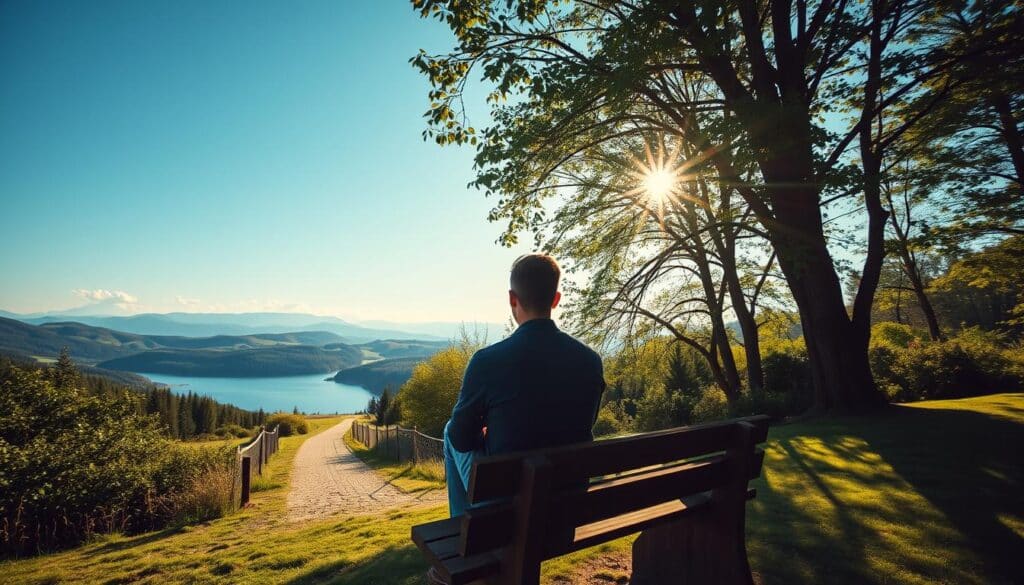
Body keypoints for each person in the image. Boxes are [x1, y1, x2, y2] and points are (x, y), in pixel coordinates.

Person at [442, 253, 606, 517]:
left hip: (507, 515)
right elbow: (580, 426)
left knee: (450, 429)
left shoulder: (487, 361)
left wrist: (484, 434)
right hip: (565, 512)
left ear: (512, 298)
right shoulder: (590, 361)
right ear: (555, 299)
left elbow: (461, 439)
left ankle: (466, 536)